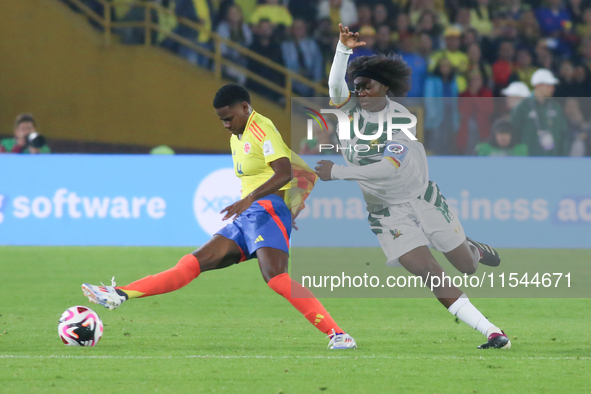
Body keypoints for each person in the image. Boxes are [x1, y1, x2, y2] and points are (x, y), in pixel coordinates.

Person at [82, 84, 356, 350]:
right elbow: (288, 174)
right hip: (250, 215)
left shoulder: (263, 128)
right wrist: (266, 206)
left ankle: (339, 334)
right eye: (221, 120)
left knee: (275, 277)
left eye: (229, 118)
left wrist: (260, 202)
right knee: (190, 264)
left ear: (245, 107)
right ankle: (121, 293)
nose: (226, 124)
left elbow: (284, 172)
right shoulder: (236, 137)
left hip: (265, 210)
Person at [314, 24, 511, 350]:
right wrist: (342, 49)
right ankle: (492, 331)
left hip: (421, 198)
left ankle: (471, 247)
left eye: (366, 86)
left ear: (385, 88)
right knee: (429, 272)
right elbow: (335, 85)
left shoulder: (400, 119)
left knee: (467, 266)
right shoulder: (349, 110)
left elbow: (387, 169)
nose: (359, 92)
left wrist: (338, 172)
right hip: (386, 213)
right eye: (357, 86)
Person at [511, 69, 569, 156]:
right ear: (538, 86)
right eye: (549, 86)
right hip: (528, 159)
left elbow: (563, 133)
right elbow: (514, 133)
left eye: (552, 86)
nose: (552, 89)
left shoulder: (556, 107)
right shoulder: (522, 107)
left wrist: (563, 155)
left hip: (553, 158)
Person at [281, 19, 324, 96]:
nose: (298, 30)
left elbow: (318, 65)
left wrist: (317, 85)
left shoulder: (312, 45)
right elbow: (285, 64)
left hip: (311, 84)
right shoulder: (285, 46)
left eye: (301, 28)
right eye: (296, 28)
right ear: (292, 30)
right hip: (292, 85)